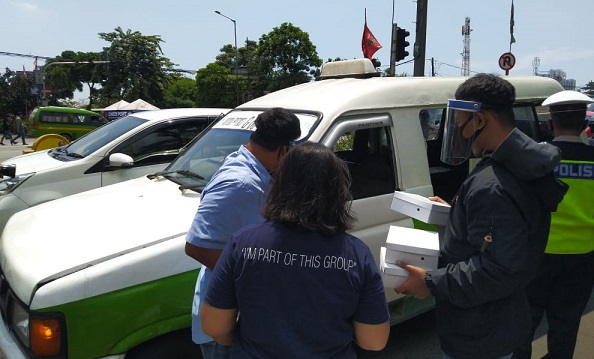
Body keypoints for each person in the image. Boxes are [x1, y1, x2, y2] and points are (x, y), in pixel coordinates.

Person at [393, 73, 568, 359]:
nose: (459, 132)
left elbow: (496, 270)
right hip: (498, 321)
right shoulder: (513, 165)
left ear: (480, 120)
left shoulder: (494, 184)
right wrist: (457, 214)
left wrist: (428, 281)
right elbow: (506, 232)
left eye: (460, 124)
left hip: (482, 333)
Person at [200, 142, 390, 358]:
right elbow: (374, 340)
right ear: (337, 191)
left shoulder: (243, 243)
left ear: (280, 184)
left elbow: (214, 327)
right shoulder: (356, 255)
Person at [185, 107, 301, 359]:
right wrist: (250, 280)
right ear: (283, 149)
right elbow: (196, 246)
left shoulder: (256, 171)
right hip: (228, 320)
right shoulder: (240, 183)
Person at [513, 91, 594, 359]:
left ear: (550, 124)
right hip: (583, 255)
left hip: (538, 253)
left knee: (524, 320)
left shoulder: (536, 160)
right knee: (566, 323)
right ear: (584, 124)